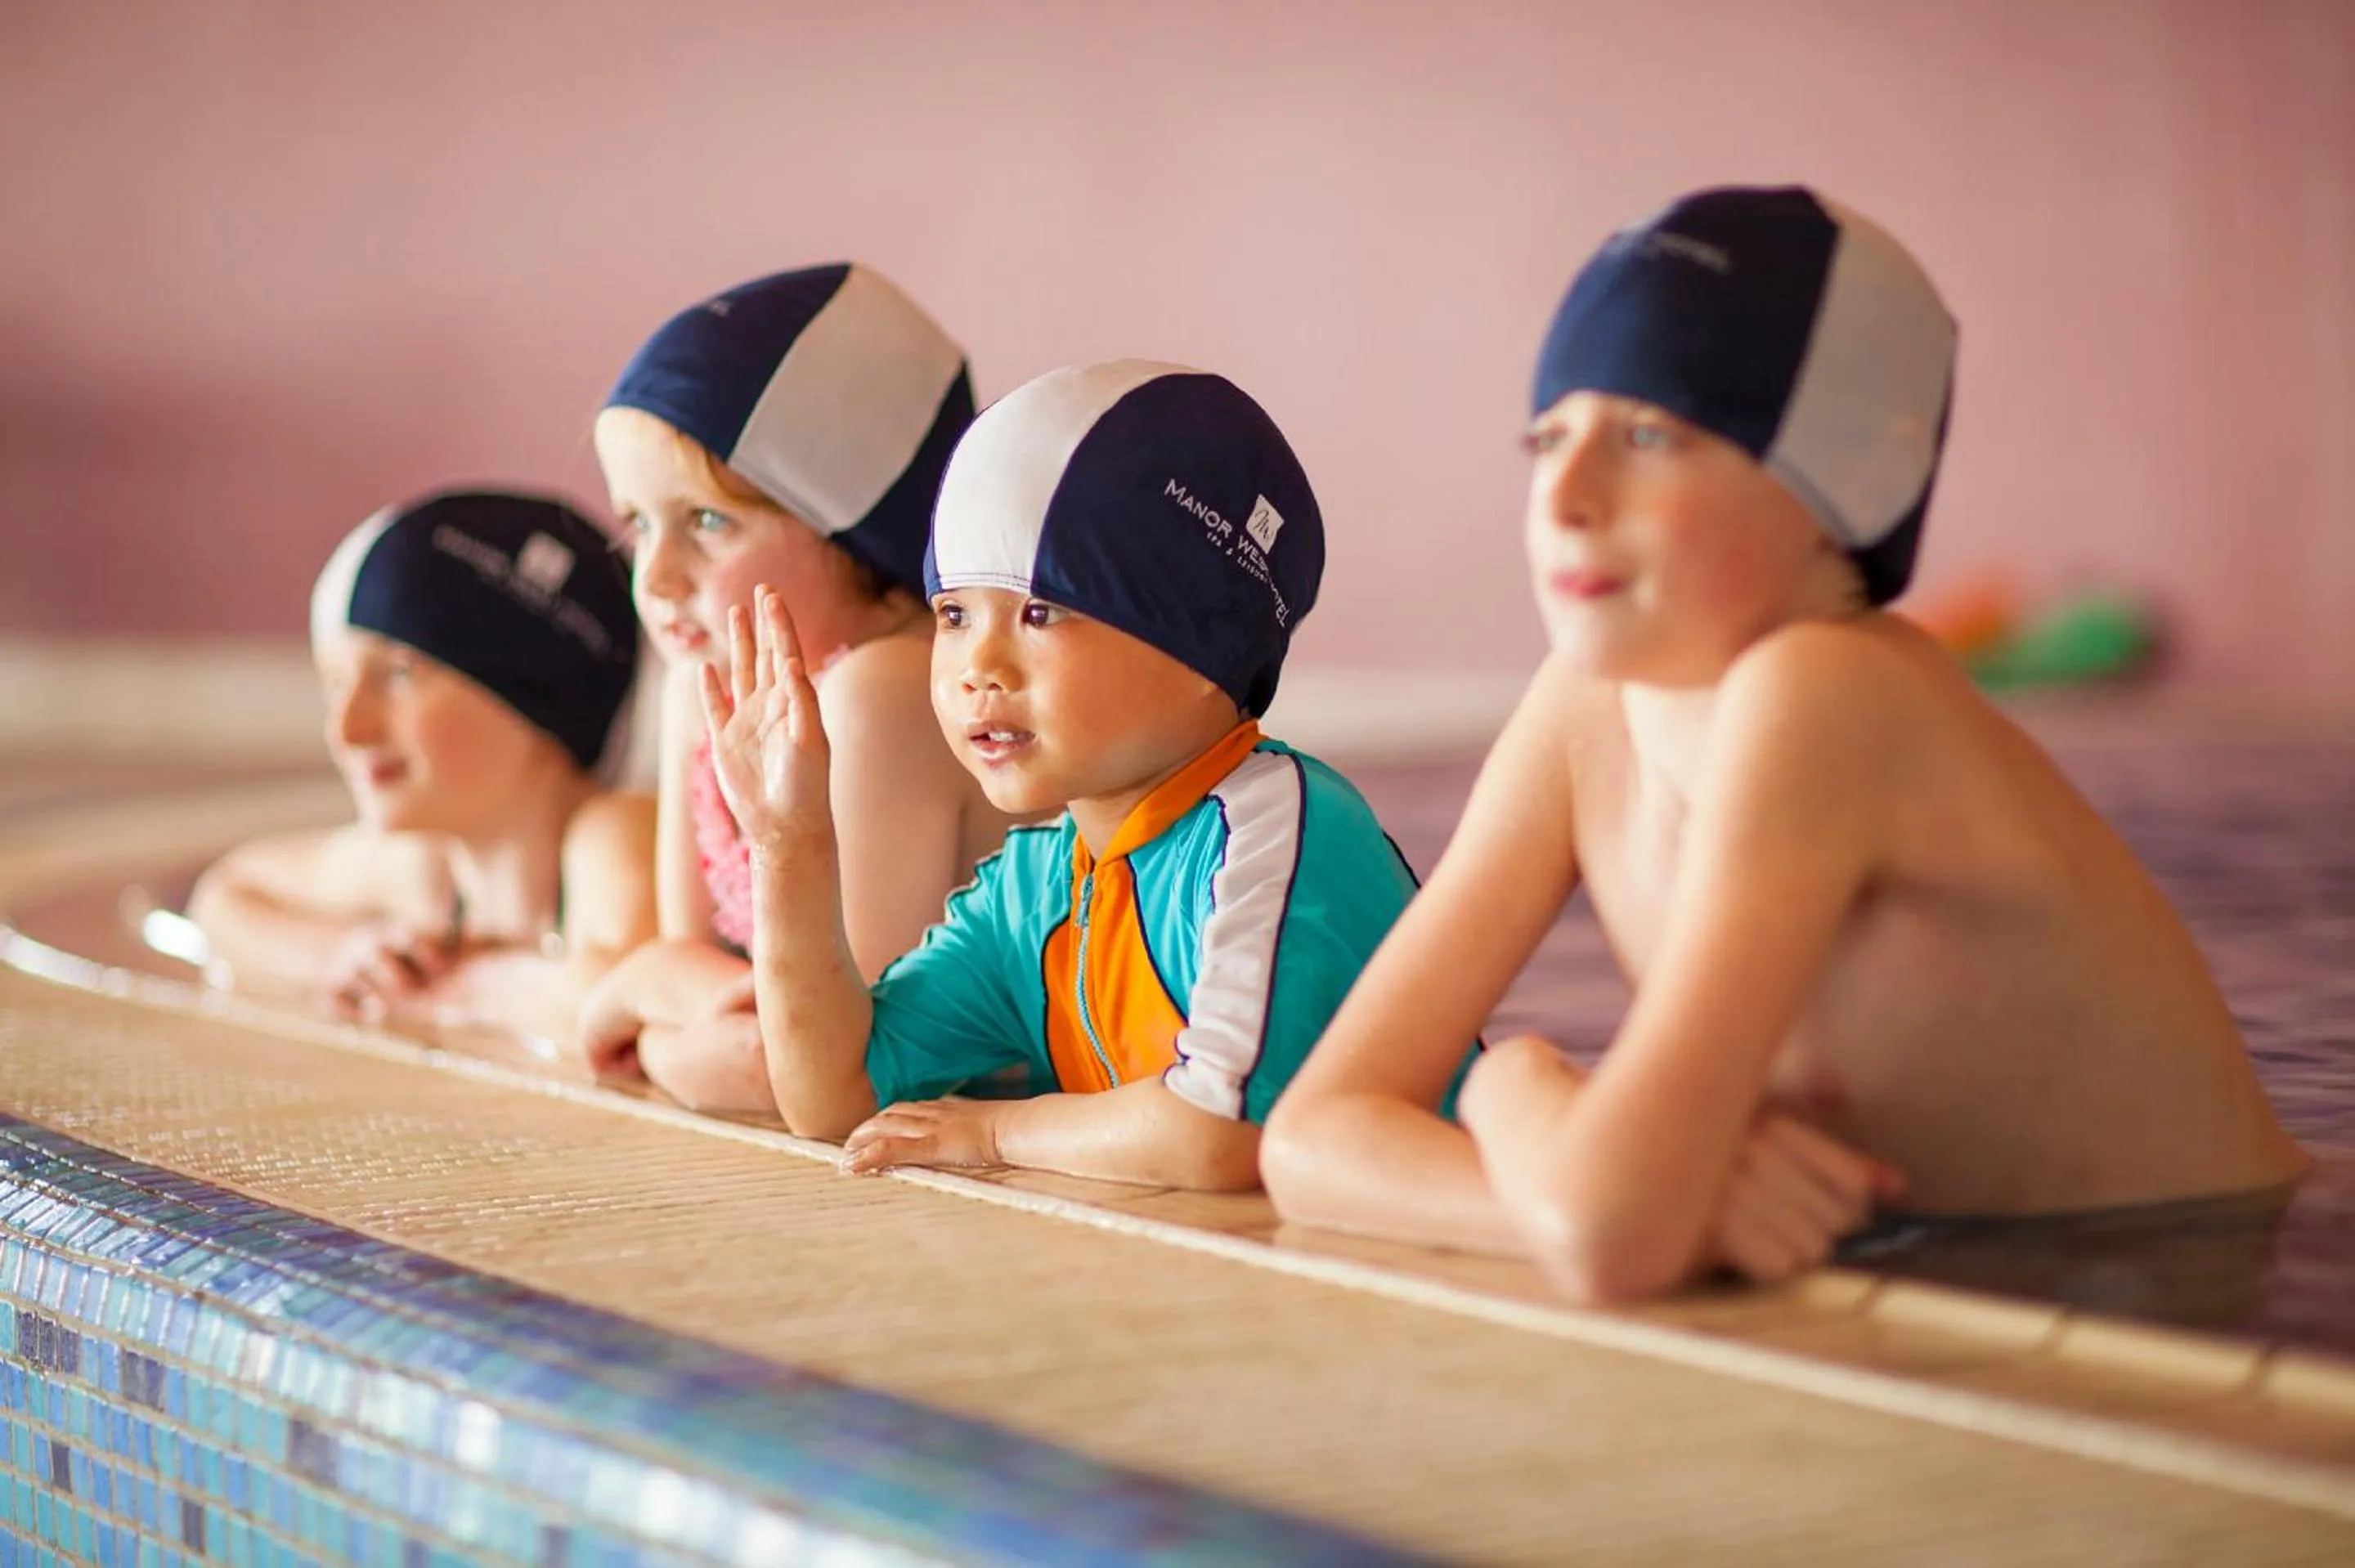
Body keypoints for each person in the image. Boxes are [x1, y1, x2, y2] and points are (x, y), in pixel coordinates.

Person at [1260, 186, 2308, 1301]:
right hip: (1994, 1268)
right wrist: (1636, 1190)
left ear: (1848, 479)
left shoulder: (1826, 690)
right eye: (1548, 435)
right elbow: (1309, 1139)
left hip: (2215, 1281)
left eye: (1650, 435)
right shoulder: (1584, 703)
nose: (1566, 494)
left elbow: (1610, 1233)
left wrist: (1514, 1091)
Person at [701, 360, 1460, 1188]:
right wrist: (790, 841)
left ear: (1202, 643)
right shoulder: (1037, 890)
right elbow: (835, 1096)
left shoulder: (1275, 829)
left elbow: (1220, 1132)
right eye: (953, 613)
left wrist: (997, 1133)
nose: (976, 668)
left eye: (1041, 610)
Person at [576, 264, 1016, 1112]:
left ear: (852, 529)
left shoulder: (884, 693)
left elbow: (844, 1061)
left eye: (709, 522)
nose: (655, 576)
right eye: (637, 523)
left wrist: (639, 1008)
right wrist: (658, 992)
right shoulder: (695, 685)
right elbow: (686, 966)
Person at [189, 490, 653, 1046]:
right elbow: (226, 893)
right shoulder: (426, 868)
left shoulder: (613, 835)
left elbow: (629, 995)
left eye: (400, 676)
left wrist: (469, 987)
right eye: (336, 684)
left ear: (535, 701)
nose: (347, 731)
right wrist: (340, 954)